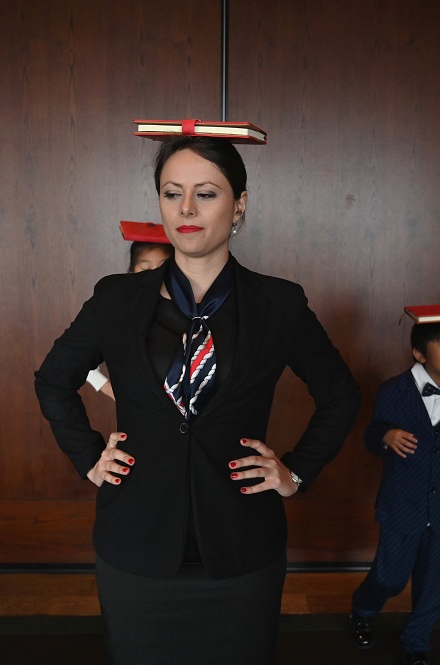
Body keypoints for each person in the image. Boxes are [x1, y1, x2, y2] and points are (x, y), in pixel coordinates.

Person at [35, 135, 360, 664]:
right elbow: (53, 380)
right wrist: (88, 456)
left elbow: (341, 395)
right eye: (171, 193)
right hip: (136, 542)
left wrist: (296, 472)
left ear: (240, 204)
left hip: (241, 545)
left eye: (205, 193)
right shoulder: (116, 298)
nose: (186, 208)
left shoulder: (278, 303)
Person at [349, 318, 440, 665]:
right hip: (402, 504)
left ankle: (417, 642)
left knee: (433, 584)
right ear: (419, 353)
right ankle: (363, 608)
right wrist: (385, 436)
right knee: (390, 577)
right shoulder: (394, 390)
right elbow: (371, 433)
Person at [84, 240, 173, 401]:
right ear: (131, 272)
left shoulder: (190, 306)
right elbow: (77, 359)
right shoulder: (118, 309)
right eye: (145, 269)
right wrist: (106, 387)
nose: (154, 274)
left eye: (162, 267)